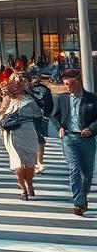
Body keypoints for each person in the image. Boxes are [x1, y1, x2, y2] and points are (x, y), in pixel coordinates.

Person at [52, 69, 96, 215]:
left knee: (87, 175)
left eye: (69, 84)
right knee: (74, 169)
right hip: (69, 138)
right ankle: (77, 203)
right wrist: (60, 127)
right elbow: (55, 116)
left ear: (77, 82)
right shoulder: (63, 98)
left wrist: (91, 128)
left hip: (87, 139)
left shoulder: (92, 99)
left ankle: (83, 198)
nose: (66, 87)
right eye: (65, 84)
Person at [0, 75, 41, 200]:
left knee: (29, 161)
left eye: (19, 84)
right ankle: (23, 189)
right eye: (15, 84)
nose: (17, 86)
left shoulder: (30, 99)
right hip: (13, 133)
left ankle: (30, 184)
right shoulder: (8, 99)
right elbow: (1, 113)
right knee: (18, 161)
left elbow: (38, 113)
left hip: (28, 132)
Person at [26, 69, 54, 174]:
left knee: (40, 139)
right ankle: (31, 162)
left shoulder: (44, 89)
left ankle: (39, 162)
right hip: (25, 117)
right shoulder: (22, 90)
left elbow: (49, 103)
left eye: (37, 77)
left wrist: (47, 114)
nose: (35, 79)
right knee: (31, 140)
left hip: (38, 116)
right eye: (32, 77)